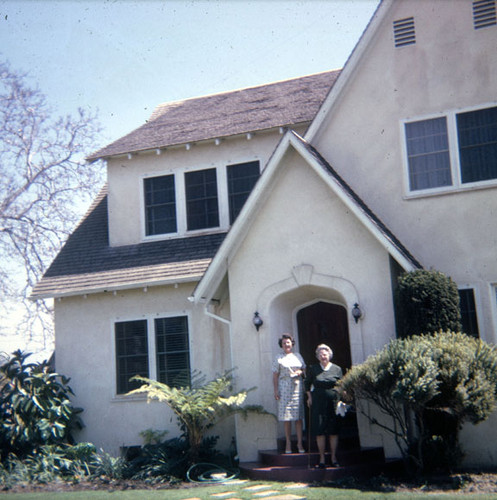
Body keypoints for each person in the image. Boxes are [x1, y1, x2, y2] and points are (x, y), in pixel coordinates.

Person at [305, 343, 343, 468]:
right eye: (320, 354)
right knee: (320, 430)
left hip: (333, 403)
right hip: (318, 403)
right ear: (317, 356)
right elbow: (307, 384)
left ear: (329, 355)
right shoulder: (313, 368)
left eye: (325, 354)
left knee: (333, 430)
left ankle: (333, 458)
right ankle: (322, 459)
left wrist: (341, 399)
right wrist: (309, 397)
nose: (323, 356)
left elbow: (341, 385)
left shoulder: (337, 369)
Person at [272, 334, 306, 454]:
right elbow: (275, 375)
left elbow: (304, 369)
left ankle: (300, 443)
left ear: (292, 343)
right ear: (281, 345)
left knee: (298, 417)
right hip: (284, 387)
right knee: (287, 417)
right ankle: (288, 442)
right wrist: (276, 390)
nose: (286, 344)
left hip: (297, 387)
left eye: (288, 342)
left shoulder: (298, 356)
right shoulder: (279, 357)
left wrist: (299, 372)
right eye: (284, 343)